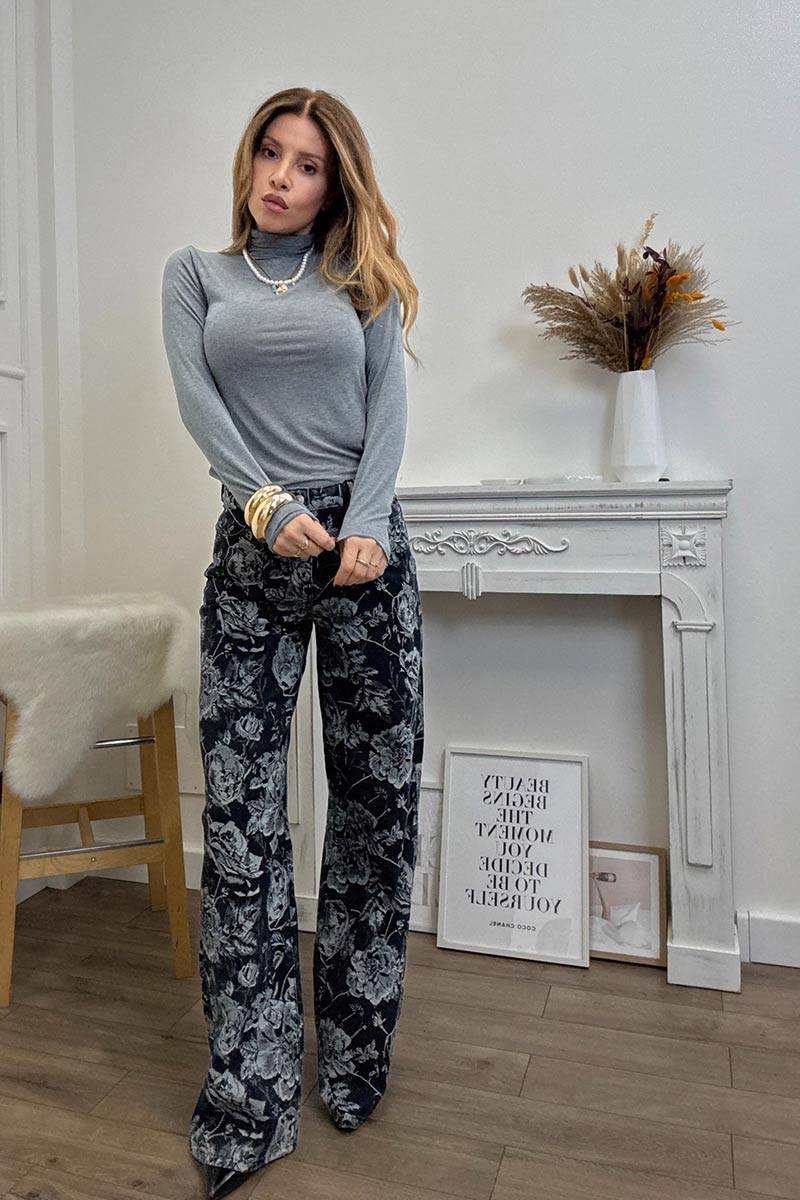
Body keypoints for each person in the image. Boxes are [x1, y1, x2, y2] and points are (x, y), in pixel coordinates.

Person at [161, 88, 424, 1200]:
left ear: (334, 182)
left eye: (307, 164)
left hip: (363, 551)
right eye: (270, 153)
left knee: (373, 810)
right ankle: (247, 1094)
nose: (281, 175)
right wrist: (262, 504)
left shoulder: (359, 278)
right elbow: (200, 406)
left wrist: (366, 526)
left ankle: (354, 1060)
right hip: (253, 549)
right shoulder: (196, 277)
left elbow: (387, 404)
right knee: (240, 822)